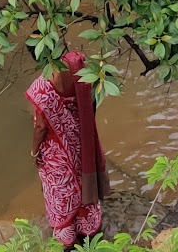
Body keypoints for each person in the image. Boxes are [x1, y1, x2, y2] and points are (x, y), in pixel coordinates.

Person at [27, 50, 110, 248]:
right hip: (81, 142)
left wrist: (34, 152)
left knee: (60, 189)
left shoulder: (43, 87)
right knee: (81, 182)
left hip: (56, 151)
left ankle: (67, 237)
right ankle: (87, 228)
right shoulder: (82, 71)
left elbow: (41, 127)